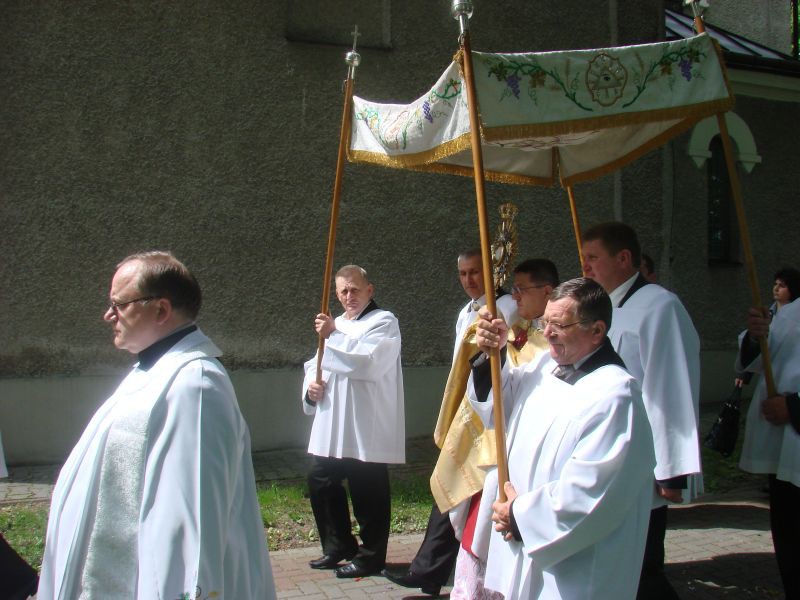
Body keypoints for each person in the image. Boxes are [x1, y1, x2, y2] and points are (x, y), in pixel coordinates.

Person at [37, 251, 274, 600]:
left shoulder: (195, 386)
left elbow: (192, 530)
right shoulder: (152, 371)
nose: (108, 315)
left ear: (161, 310)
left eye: (119, 304)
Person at [469, 277, 655, 600]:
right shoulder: (547, 364)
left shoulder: (615, 395)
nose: (547, 333)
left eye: (559, 325)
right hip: (522, 541)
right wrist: (492, 356)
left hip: (575, 565)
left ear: (597, 331)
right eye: (545, 323)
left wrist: (520, 516)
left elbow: (592, 493)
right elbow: (503, 407)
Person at [383, 250, 516, 595]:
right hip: (467, 407)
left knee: (459, 487)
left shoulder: (505, 307)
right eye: (463, 273)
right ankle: (429, 569)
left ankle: (433, 569)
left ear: (492, 272)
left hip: (489, 411)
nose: (469, 280)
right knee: (450, 485)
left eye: (476, 272)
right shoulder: (466, 311)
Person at [581, 222, 701, 600]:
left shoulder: (659, 306)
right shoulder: (601, 307)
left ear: (623, 258)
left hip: (643, 457)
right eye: (583, 258)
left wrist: (671, 468)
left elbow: (670, 387)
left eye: (593, 257)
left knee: (643, 568)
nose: (585, 266)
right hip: (606, 452)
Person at [448, 258, 558, 600]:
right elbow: (504, 394)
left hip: (534, 465)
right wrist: (488, 358)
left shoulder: (553, 345)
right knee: (480, 539)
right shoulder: (519, 332)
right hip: (502, 451)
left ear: (547, 291)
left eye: (522, 289)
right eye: (514, 288)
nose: (515, 296)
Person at [302, 265, 405, 579]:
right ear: (336, 294)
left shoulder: (384, 321)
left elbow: (369, 363)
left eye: (355, 289)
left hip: (364, 424)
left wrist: (332, 335)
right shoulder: (336, 324)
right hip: (332, 421)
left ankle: (371, 557)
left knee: (367, 491)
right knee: (320, 480)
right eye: (343, 291)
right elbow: (315, 363)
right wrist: (311, 388)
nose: (349, 296)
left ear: (369, 290)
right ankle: (338, 545)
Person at [737, 300, 800, 598]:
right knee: (790, 545)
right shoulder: (790, 311)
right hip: (786, 451)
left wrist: (794, 407)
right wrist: (756, 336)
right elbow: (762, 359)